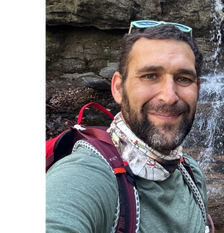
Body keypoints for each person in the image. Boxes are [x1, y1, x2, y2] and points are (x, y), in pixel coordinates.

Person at [43, 21, 210, 233]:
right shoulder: (89, 173)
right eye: (150, 76)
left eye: (183, 79)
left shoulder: (192, 175)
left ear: (197, 89)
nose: (169, 97)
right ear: (119, 89)